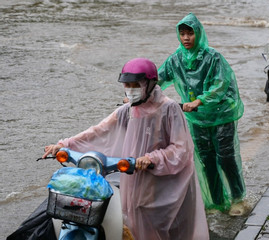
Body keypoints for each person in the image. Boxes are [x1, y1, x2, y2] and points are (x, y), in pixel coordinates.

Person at [42, 58, 209, 240]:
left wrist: (153, 158)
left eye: (135, 85)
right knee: (134, 214)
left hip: (167, 180)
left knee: (168, 224)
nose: (130, 90)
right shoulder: (128, 110)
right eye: (127, 85)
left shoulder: (169, 109)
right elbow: (99, 131)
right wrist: (64, 144)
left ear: (150, 84)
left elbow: (181, 148)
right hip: (135, 174)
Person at [157, 13, 248, 216]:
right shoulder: (176, 59)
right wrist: (139, 90)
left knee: (226, 158)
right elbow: (159, 78)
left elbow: (221, 84)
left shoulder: (213, 57)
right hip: (197, 117)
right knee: (206, 160)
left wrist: (200, 100)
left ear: (198, 34)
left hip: (220, 113)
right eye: (182, 34)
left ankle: (237, 198)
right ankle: (217, 202)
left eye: (190, 33)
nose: (186, 38)